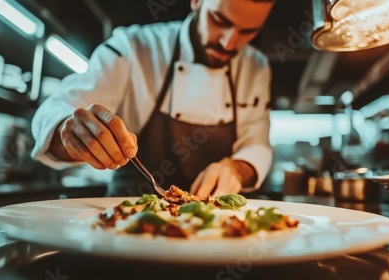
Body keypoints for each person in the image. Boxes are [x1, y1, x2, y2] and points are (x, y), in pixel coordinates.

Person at [31, 0, 275, 198]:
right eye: (219, 20)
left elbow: (257, 144)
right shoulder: (133, 47)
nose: (228, 42)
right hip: (125, 220)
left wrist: (235, 169)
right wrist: (73, 133)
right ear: (196, 1)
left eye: (248, 31)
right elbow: (58, 110)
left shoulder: (256, 66)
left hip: (213, 229)